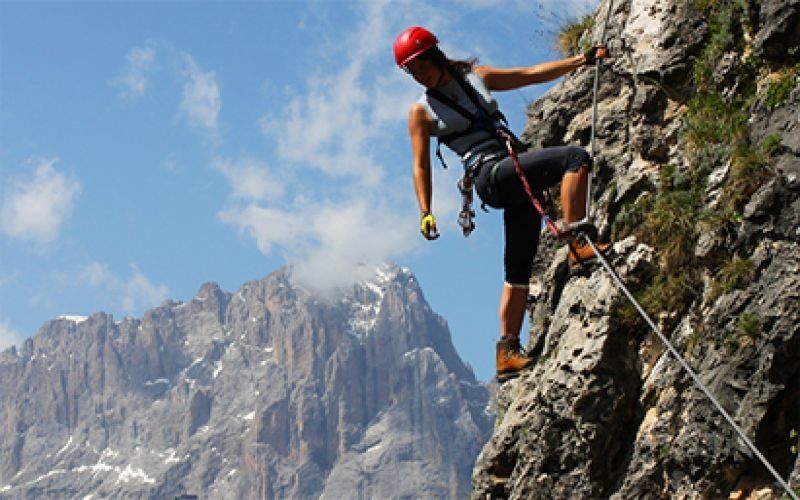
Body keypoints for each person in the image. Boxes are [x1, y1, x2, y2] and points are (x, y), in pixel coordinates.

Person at [394, 26, 610, 382]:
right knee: (574, 158)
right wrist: (426, 212)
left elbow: (529, 74)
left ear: (435, 54)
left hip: (512, 170)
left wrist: (581, 61)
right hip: (490, 175)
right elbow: (420, 164)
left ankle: (507, 351)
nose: (420, 75)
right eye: (412, 72)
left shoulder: (475, 78)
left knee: (518, 265)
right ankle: (577, 244)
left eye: (421, 66)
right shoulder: (421, 112)